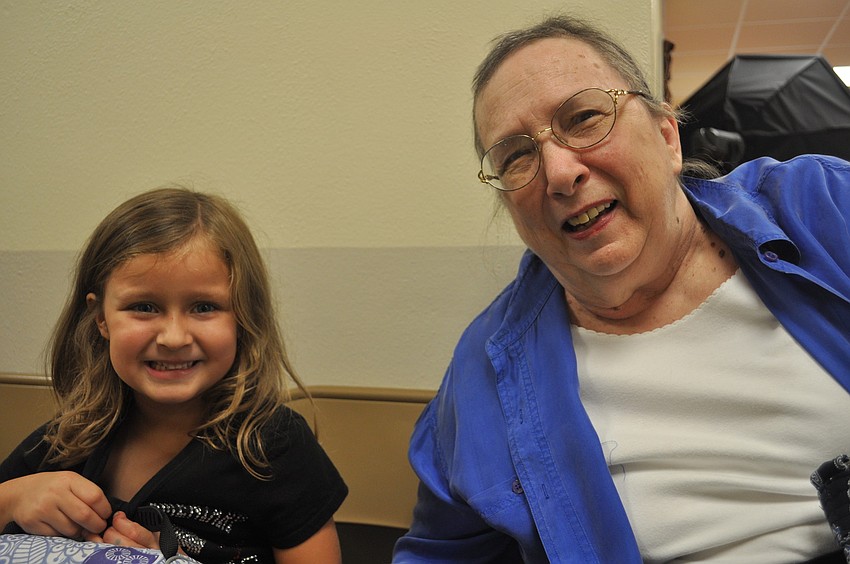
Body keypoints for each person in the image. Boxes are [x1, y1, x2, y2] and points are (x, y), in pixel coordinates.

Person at [393, 14, 850, 564]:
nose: (558, 173)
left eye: (584, 118)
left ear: (667, 137)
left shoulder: (823, 208)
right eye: (516, 156)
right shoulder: (481, 374)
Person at [0, 187, 348, 564]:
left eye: (204, 307)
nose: (174, 338)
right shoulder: (71, 437)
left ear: (243, 316)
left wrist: (174, 560)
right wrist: (14, 499)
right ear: (101, 318)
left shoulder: (274, 447)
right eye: (144, 307)